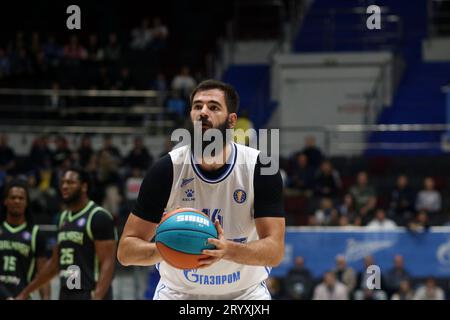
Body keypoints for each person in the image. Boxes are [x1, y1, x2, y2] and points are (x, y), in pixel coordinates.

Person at [117, 79, 285, 300]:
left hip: (244, 294)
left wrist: (227, 250)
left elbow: (274, 251)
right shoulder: (166, 170)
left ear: (232, 120)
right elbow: (126, 251)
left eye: (213, 107)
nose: (203, 112)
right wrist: (171, 247)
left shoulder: (260, 168)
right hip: (178, 293)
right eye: (197, 106)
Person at [16, 168, 117, 300]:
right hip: (67, 292)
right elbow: (54, 264)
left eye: (70, 182)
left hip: (89, 292)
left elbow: (108, 262)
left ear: (84, 187)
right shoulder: (63, 218)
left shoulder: (98, 216)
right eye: (63, 182)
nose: (64, 186)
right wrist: (24, 293)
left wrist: (97, 296)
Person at [0, 180, 49, 300]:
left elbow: (42, 274)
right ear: (5, 201)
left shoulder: (35, 234)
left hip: (21, 296)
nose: (17, 201)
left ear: (26, 203)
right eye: (13, 197)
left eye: (21, 198)